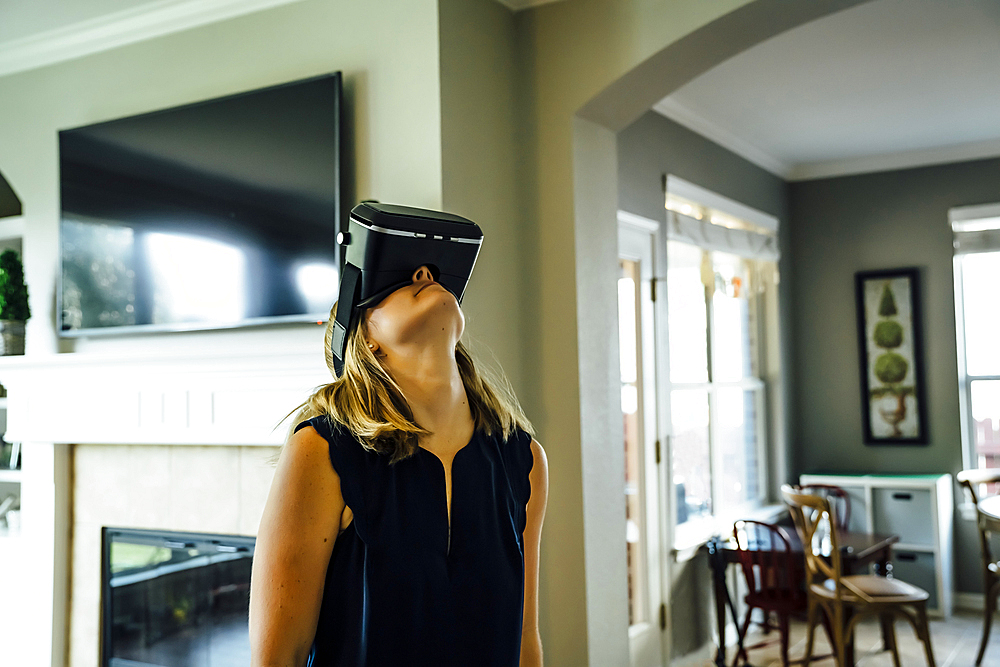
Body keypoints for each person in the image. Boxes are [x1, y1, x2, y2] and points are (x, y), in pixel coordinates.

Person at [249, 264, 548, 667]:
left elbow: (525, 636)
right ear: (366, 341)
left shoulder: (525, 460)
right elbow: (278, 658)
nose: (424, 272)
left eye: (428, 273)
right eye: (397, 281)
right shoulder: (321, 450)